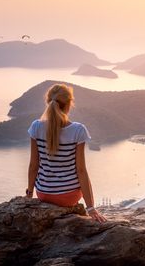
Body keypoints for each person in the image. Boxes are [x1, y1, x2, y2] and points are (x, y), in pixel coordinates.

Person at [25, 83, 106, 223]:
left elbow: (34, 165)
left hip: (44, 194)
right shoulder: (78, 130)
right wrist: (91, 208)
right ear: (69, 104)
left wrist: (29, 195)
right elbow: (81, 170)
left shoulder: (36, 127)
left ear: (48, 103)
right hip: (69, 195)